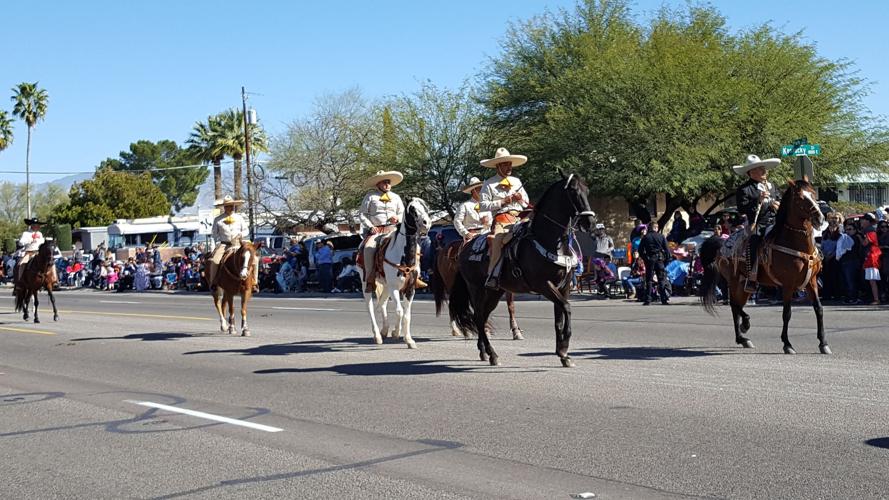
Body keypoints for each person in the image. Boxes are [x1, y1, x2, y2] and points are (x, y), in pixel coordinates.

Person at [479, 147, 530, 289]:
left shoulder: (516, 181)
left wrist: (520, 198)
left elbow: (526, 202)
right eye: (505, 164)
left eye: (510, 164)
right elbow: (483, 205)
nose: (509, 167)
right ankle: (493, 275)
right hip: (502, 218)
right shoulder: (489, 183)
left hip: (520, 217)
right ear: (498, 166)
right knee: (497, 241)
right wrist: (502, 202)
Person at [733, 154, 782, 293]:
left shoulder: (772, 186)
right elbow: (742, 208)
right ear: (752, 172)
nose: (764, 171)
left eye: (763, 168)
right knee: (754, 241)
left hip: (775, 221)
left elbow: (779, 199)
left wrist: (778, 205)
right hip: (758, 223)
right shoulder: (744, 189)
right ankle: (752, 277)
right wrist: (757, 201)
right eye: (760, 169)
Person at [359, 170, 406, 293]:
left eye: (388, 182)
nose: (387, 184)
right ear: (378, 184)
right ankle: (370, 278)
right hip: (377, 231)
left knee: (410, 245)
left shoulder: (396, 197)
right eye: (384, 182)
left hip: (393, 229)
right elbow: (362, 214)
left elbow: (402, 213)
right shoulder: (370, 196)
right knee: (368, 248)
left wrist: (397, 218)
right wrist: (370, 226)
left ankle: (413, 275)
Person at [206, 196, 251, 291]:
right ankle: (213, 282)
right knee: (215, 261)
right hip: (224, 244)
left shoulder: (239, 218)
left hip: (238, 244)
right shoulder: (218, 219)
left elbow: (246, 230)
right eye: (227, 206)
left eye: (231, 205)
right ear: (224, 207)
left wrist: (241, 234)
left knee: (253, 258)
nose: (230, 207)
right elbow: (213, 236)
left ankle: (254, 282)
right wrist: (212, 248)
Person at [13, 218, 55, 293]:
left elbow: (42, 243)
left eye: (38, 225)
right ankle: (19, 282)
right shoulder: (26, 233)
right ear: (31, 225)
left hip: (39, 253)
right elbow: (21, 242)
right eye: (35, 225)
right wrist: (29, 241)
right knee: (21, 264)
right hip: (29, 253)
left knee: (51, 263)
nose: (37, 226)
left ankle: (54, 280)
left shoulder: (40, 234)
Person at [639, 221, 671, 305]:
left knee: (649, 280)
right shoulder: (661, 236)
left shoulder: (646, 237)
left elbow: (640, 250)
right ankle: (664, 299)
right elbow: (667, 250)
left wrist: (645, 258)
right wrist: (666, 261)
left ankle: (648, 300)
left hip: (650, 259)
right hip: (659, 259)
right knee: (661, 280)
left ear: (650, 228)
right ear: (656, 228)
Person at [859, 213, 882, 304]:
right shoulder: (868, 230)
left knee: (872, 280)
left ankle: (876, 299)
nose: (862, 221)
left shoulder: (871, 231)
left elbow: (865, 243)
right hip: (869, 257)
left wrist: (859, 237)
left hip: (871, 257)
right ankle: (873, 298)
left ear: (868, 221)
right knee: (870, 280)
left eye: (864, 219)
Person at [837, 222, 862, 304]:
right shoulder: (846, 237)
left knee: (850, 280)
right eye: (846, 229)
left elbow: (845, 247)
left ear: (855, 230)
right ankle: (849, 297)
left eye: (850, 229)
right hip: (846, 261)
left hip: (852, 261)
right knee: (847, 280)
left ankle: (853, 298)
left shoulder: (854, 238)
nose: (848, 231)